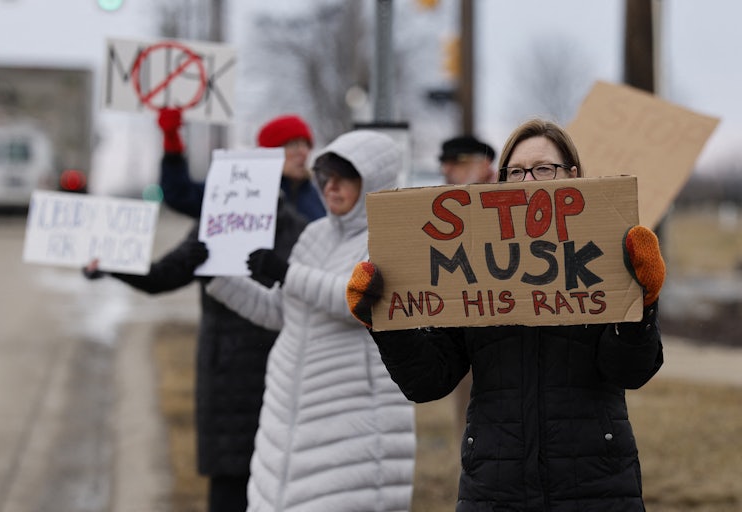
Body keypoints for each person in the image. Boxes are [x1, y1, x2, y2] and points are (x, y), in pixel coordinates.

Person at [346, 118, 666, 511]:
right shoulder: (474, 264)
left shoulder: (604, 254)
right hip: (495, 487)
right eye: (515, 171)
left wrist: (643, 303)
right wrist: (385, 322)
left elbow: (629, 371)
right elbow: (428, 381)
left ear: (573, 176)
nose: (528, 180)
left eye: (543, 169)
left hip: (596, 483)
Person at [83, 110, 312, 512]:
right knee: (230, 485)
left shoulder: (310, 219)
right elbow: (161, 276)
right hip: (228, 375)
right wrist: (110, 264)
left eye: (305, 145)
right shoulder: (218, 217)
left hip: (291, 372)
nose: (300, 153)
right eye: (289, 145)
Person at [206, 130, 416, 512]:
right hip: (286, 423)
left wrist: (286, 272)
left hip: (352, 426)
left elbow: (361, 301)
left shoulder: (392, 236)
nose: (331, 188)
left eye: (344, 178)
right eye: (325, 177)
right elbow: (278, 311)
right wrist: (217, 277)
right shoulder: (313, 235)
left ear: (373, 180)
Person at [158, 110, 326, 222]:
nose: (303, 152)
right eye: (293, 145)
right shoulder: (240, 190)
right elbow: (180, 194)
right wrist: (172, 142)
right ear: (269, 152)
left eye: (306, 145)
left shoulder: (318, 196)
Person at [438, 133, 498, 438]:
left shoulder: (508, 201)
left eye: (456, 164)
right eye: (445, 164)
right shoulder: (446, 211)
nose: (447, 171)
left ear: (484, 163)